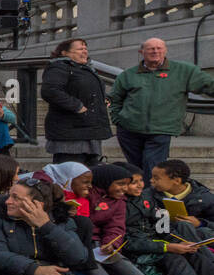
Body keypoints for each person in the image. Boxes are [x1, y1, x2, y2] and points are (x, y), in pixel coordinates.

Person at [108, 37, 214, 178]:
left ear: (165, 50)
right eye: (151, 48)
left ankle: (150, 198)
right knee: (135, 170)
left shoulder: (184, 71)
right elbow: (115, 98)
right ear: (142, 52)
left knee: (153, 168)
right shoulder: (128, 75)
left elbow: (208, 85)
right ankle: (140, 198)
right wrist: (118, 119)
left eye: (159, 48)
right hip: (129, 130)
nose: (155, 51)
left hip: (161, 130)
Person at [123, 165, 214, 275]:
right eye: (132, 182)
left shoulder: (145, 199)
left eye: (140, 181)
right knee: (176, 259)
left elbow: (161, 228)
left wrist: (178, 241)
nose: (142, 184)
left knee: (190, 242)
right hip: (144, 252)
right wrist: (168, 247)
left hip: (161, 243)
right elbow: (128, 242)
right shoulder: (119, 205)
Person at [40, 38, 110, 167]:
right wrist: (77, 106)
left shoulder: (86, 69)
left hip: (89, 131)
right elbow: (50, 90)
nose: (84, 51)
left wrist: (103, 99)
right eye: (79, 49)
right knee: (70, 172)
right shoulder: (59, 67)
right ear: (64, 53)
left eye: (85, 48)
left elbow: (85, 90)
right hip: (70, 134)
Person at [149, 159, 214, 228]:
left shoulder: (206, 199)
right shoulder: (147, 195)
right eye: (152, 177)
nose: (151, 180)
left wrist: (200, 224)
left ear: (177, 181)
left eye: (156, 178)